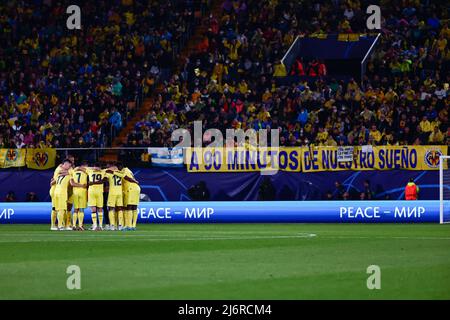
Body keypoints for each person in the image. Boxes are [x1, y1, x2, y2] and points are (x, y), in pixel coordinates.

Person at [53, 159, 73, 230]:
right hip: (62, 193)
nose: (70, 168)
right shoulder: (69, 175)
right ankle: (60, 225)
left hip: (56, 191)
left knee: (58, 209)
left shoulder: (59, 174)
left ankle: (59, 225)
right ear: (66, 164)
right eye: (69, 166)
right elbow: (72, 183)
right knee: (62, 209)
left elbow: (52, 182)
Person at [119, 163, 141, 231]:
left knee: (128, 207)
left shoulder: (124, 171)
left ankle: (129, 226)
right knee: (134, 207)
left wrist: (134, 181)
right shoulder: (128, 170)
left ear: (120, 166)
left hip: (131, 188)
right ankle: (133, 226)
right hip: (135, 188)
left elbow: (126, 177)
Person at [105, 163, 125, 231]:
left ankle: (112, 225)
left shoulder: (109, 173)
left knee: (111, 209)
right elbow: (123, 176)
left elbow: (105, 179)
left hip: (112, 193)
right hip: (119, 193)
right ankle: (120, 225)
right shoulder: (120, 173)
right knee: (120, 209)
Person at [86, 163, 106, 231]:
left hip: (92, 191)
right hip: (99, 192)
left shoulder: (89, 170)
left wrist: (92, 168)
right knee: (99, 209)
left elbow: (80, 168)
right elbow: (105, 179)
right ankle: (99, 226)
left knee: (94, 209)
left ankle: (95, 226)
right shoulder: (103, 171)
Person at [70, 161, 89, 231]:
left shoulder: (73, 172)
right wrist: (82, 185)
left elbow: (72, 183)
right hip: (82, 191)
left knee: (75, 209)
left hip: (75, 192)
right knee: (81, 209)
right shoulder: (86, 172)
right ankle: (80, 226)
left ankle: (74, 225)